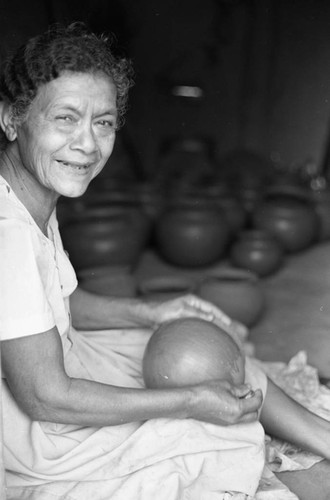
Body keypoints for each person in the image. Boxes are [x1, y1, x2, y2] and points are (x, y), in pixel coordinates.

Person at [0, 22, 330, 500]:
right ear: (12, 119)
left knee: (198, 351)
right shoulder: (6, 232)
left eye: (104, 121)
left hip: (51, 366)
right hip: (33, 426)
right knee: (210, 430)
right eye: (66, 119)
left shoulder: (29, 195)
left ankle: (320, 433)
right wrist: (190, 402)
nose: (88, 144)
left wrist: (152, 311)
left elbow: (61, 301)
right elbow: (44, 397)